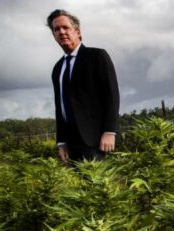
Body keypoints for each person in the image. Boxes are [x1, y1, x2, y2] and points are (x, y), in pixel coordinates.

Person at [47, 9, 120, 163]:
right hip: (71, 144)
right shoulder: (57, 68)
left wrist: (109, 132)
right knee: (79, 186)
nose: (61, 32)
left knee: (100, 185)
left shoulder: (97, 56)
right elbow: (60, 107)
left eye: (65, 27)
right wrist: (61, 142)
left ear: (78, 32)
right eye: (56, 29)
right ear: (54, 36)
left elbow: (112, 96)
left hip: (97, 141)